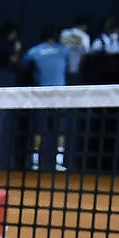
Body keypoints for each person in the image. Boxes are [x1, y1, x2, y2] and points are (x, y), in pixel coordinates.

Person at [21, 24, 70, 170]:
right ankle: (59, 161)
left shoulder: (34, 52)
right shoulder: (63, 50)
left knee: (39, 128)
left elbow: (23, 67)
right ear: (55, 36)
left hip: (42, 95)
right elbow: (68, 66)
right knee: (61, 129)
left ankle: (35, 162)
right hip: (59, 95)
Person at [84, 16, 119, 84]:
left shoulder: (118, 42)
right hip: (100, 75)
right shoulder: (99, 41)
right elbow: (93, 56)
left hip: (114, 75)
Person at [59, 14, 92, 80]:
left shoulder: (64, 33)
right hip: (76, 70)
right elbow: (85, 55)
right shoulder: (85, 37)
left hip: (62, 69)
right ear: (85, 25)